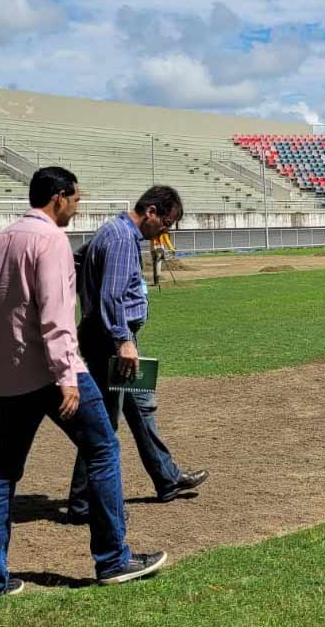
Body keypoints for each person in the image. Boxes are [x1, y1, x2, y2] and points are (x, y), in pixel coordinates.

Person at [0, 167, 166, 599]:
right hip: (55, 371)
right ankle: (113, 558)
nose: (76, 210)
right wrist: (67, 376)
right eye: (76, 201)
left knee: (2, 472)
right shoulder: (52, 242)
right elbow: (57, 317)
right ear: (59, 197)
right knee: (102, 448)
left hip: (9, 376)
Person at [68, 185, 208, 524]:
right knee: (104, 422)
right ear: (151, 212)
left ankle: (167, 477)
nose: (166, 231)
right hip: (111, 341)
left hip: (114, 336)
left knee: (142, 407)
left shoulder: (114, 232)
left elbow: (77, 258)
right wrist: (122, 340)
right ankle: (84, 503)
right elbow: (113, 296)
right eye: (166, 223)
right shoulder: (119, 239)